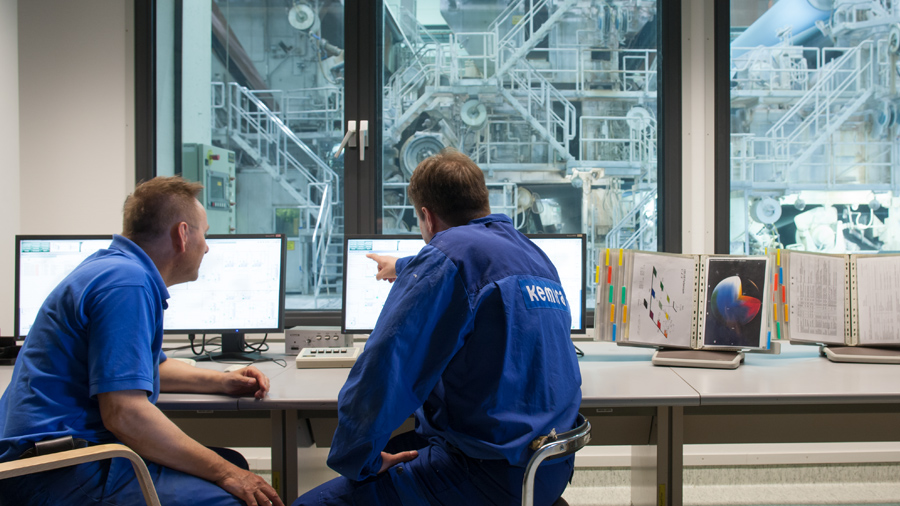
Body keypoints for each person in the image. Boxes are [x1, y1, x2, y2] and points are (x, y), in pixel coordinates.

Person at [295, 149, 582, 506]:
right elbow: (479, 273)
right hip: (546, 468)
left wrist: (358, 461)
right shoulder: (532, 253)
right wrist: (405, 266)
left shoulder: (447, 255)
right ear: (482, 201)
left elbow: (384, 371)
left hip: (484, 475)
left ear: (427, 218)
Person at [0, 177, 284, 506]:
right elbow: (125, 413)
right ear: (182, 234)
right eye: (204, 233)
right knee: (237, 492)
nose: (206, 246)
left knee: (232, 464)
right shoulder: (127, 284)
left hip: (45, 458)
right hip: (57, 471)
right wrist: (226, 474)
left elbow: (145, 369)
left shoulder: (113, 269)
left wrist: (222, 382)